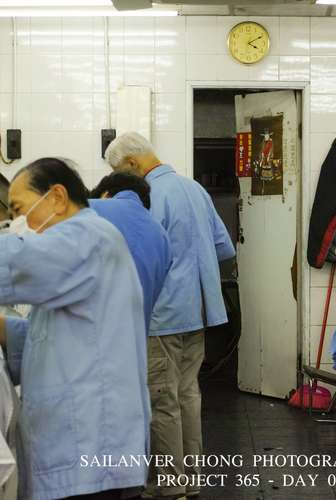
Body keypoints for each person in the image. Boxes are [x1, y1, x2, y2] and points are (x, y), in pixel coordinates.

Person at [0, 158, 150, 500]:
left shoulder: (88, 237)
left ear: (57, 197)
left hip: (91, 450)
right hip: (83, 451)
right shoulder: (79, 251)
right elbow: (50, 338)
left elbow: (17, 262)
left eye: (19, 210)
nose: (16, 224)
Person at [105, 132, 235, 499]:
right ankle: (189, 479)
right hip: (198, 309)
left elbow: (135, 254)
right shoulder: (194, 189)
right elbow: (224, 247)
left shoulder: (146, 197)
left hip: (162, 313)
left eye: (119, 171)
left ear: (132, 164)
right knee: (188, 395)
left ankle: (169, 484)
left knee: (162, 400)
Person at [89, 171, 172, 331]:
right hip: (134, 337)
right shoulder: (161, 234)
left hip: (89, 334)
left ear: (105, 194)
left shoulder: (91, 208)